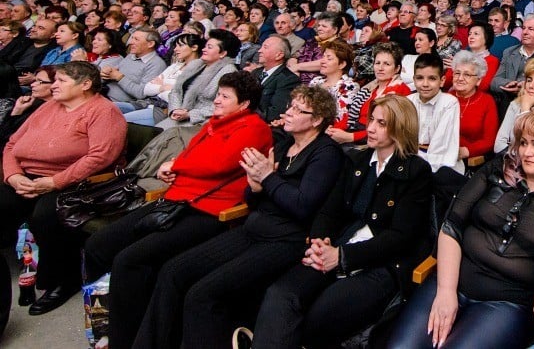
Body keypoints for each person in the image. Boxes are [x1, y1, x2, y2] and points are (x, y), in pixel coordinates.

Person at [130, 86, 345, 349]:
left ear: (317, 120)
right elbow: (257, 198)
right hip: (253, 229)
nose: (288, 113)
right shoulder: (284, 144)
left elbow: (302, 206)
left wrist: (267, 178)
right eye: (290, 106)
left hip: (284, 240)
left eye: (298, 110)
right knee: (173, 271)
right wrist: (254, 188)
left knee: (202, 295)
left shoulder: (326, 153)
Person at [82, 72, 273, 349]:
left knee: (129, 260)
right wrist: (172, 166)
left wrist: (178, 166)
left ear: (244, 105)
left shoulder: (254, 128)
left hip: (210, 210)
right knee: (98, 244)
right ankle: (106, 320)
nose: (216, 100)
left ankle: (123, 339)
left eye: (224, 97)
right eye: (218, 94)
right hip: (175, 199)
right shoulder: (215, 124)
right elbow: (189, 156)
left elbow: (218, 163)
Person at [245, 95, 433, 349]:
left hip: (380, 263)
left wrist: (342, 256)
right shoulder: (356, 160)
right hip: (338, 246)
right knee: (281, 294)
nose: (372, 128)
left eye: (382, 123)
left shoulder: (416, 172)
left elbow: (400, 237)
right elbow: (329, 211)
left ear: (400, 128)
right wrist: (320, 241)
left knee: (322, 313)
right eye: (371, 120)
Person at [389, 107, 534, 349]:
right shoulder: (499, 169)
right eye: (523, 143)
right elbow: (452, 225)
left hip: (507, 303)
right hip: (454, 280)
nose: (526, 152)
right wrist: (446, 292)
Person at [1, 62, 126, 316]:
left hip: (74, 182)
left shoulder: (103, 111)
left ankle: (62, 280)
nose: (53, 85)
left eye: (60, 81)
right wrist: (13, 176)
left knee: (46, 217)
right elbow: (12, 144)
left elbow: (100, 157)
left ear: (85, 85)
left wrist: (54, 182)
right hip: (26, 176)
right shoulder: (49, 107)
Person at [327, 42, 410, 145]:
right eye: (377, 63)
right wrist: (333, 129)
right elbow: (351, 119)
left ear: (397, 69)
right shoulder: (369, 88)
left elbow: (389, 130)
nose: (380, 68)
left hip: (375, 141)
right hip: (358, 133)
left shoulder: (401, 90)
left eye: (387, 64)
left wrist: (350, 137)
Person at [157, 29, 240, 130]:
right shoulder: (195, 65)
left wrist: (190, 114)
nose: (204, 49)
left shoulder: (229, 72)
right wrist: (175, 109)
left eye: (209, 47)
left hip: (201, 123)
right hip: (179, 118)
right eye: (205, 46)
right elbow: (176, 91)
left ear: (223, 53)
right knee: (154, 132)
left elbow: (226, 105)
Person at [123, 33, 202, 126]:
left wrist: (163, 86)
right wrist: (164, 87)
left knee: (118, 119)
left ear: (194, 47)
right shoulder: (175, 66)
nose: (176, 49)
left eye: (180, 45)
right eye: (176, 46)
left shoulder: (198, 71)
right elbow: (147, 88)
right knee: (113, 108)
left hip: (163, 109)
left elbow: (178, 97)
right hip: (148, 102)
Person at [407, 52, 461, 173]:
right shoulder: (408, 101)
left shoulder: (449, 103)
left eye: (432, 78)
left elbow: (441, 146)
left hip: (439, 165)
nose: (425, 84)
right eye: (420, 78)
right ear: (414, 80)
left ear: (442, 81)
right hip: (410, 160)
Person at [495, 59, 534, 153]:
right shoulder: (515, 105)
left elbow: (530, 148)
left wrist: (525, 109)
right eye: (529, 80)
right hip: (508, 160)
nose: (531, 86)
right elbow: (498, 145)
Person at [100, 26, 167, 112]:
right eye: (132, 38)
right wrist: (106, 73)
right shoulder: (130, 56)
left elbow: (141, 93)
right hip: (103, 94)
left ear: (150, 44)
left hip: (119, 104)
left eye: (136, 39)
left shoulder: (156, 64)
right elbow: (114, 74)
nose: (131, 42)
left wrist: (120, 78)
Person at [450, 50, 499, 162]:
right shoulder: (445, 98)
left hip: (469, 159)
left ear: (478, 80)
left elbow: (489, 141)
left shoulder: (487, 101)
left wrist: (466, 151)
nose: (460, 78)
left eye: (467, 74)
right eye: (457, 73)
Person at [307, 38, 360, 128]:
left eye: (329, 58)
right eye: (323, 57)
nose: (323, 61)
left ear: (342, 64)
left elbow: (340, 117)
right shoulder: (316, 81)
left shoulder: (349, 86)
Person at [252, 36, 301, 123]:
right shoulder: (255, 72)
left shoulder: (289, 80)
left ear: (279, 55)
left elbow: (275, 113)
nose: (259, 50)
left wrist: (246, 111)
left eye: (265, 47)